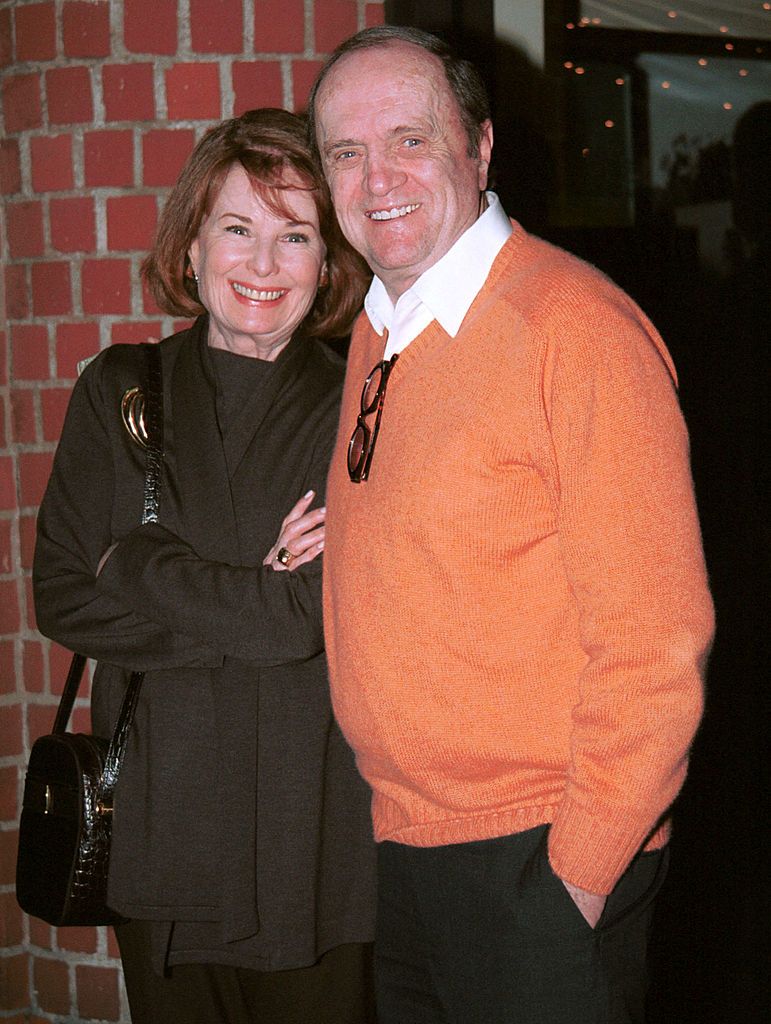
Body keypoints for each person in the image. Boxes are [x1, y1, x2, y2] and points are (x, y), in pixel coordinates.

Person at [307, 26, 715, 1024]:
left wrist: (575, 876)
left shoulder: (571, 328)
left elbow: (658, 645)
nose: (377, 177)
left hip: (539, 859)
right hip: (409, 851)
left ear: (480, 148)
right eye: (345, 152)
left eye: (409, 139)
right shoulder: (378, 330)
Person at [33, 108, 376, 1024]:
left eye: (294, 235)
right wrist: (249, 603)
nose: (262, 266)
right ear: (191, 248)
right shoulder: (120, 388)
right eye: (237, 229)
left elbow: (303, 618)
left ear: (328, 262)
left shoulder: (359, 401)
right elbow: (62, 593)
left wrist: (135, 561)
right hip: (163, 818)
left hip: (314, 831)